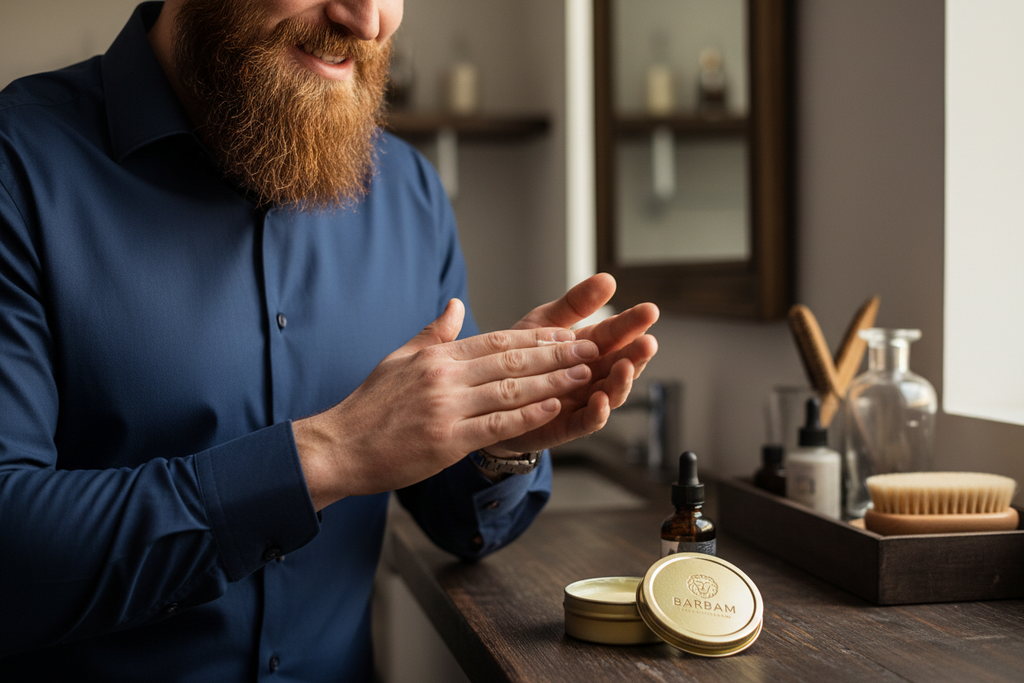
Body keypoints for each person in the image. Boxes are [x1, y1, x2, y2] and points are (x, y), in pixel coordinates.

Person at [0, 0, 659, 680]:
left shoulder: (410, 195)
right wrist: (330, 455)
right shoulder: (16, 165)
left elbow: (455, 519)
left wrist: (498, 437)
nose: (369, 18)